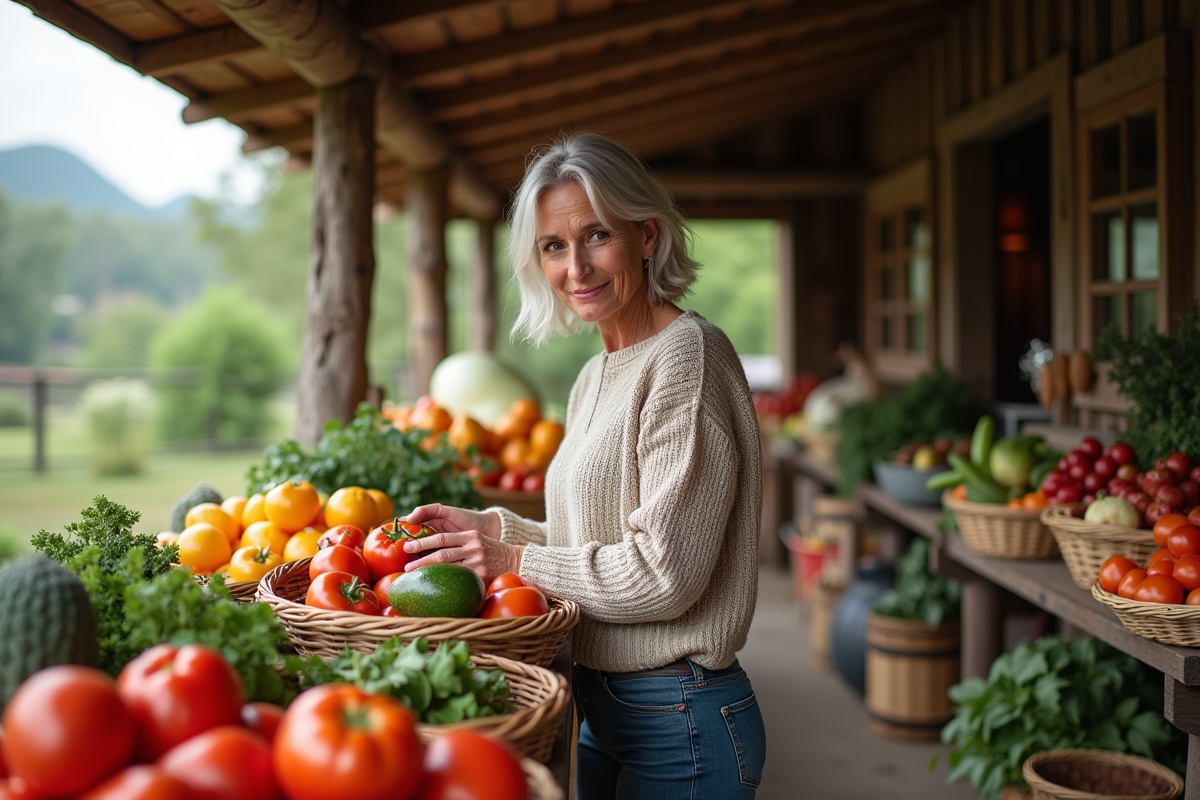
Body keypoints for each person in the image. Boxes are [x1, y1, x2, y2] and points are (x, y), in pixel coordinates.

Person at [401, 131, 767, 799]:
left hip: (680, 713)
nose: (577, 267)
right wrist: (490, 532)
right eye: (553, 246)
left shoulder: (689, 358)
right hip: (604, 701)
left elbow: (663, 573)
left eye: (597, 236)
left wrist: (511, 563)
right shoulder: (594, 375)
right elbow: (587, 546)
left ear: (647, 236)